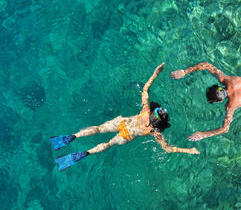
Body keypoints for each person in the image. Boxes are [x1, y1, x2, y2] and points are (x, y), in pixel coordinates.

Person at [50, 63, 199, 171]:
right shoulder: (154, 131)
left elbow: (146, 88)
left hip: (122, 122)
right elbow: (168, 149)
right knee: (108, 144)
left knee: (98, 129)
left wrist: (156, 73)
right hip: (126, 136)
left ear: (154, 112)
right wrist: (189, 151)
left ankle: (73, 136)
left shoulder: (145, 110)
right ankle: (85, 153)